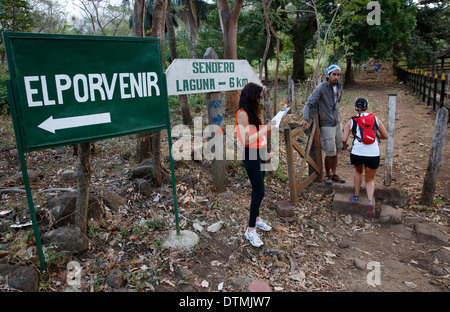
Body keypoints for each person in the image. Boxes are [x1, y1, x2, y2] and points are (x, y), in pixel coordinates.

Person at [236, 82, 276, 247]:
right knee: (260, 191)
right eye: (258, 96)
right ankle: (250, 230)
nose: (260, 99)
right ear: (252, 96)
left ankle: (257, 218)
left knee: (258, 189)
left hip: (260, 151)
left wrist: (269, 127)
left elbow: (258, 133)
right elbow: (245, 140)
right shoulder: (242, 113)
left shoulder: (253, 112)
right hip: (251, 154)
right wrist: (264, 128)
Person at [299, 64, 346, 185]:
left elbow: (336, 103)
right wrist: (305, 118)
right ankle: (328, 174)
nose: (336, 77)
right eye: (334, 74)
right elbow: (308, 103)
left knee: (336, 150)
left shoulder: (339, 86)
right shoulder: (321, 88)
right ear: (328, 75)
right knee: (330, 151)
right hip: (326, 123)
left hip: (336, 122)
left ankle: (334, 173)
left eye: (338, 75)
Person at [342, 98, 388, 218]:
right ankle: (369, 201)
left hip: (357, 152)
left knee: (358, 171)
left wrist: (344, 146)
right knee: (370, 179)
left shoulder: (351, 121)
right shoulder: (375, 118)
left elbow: (344, 139)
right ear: (367, 107)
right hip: (373, 153)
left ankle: (356, 196)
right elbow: (385, 135)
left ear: (355, 108)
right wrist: (373, 136)